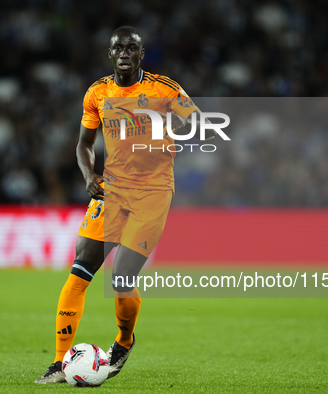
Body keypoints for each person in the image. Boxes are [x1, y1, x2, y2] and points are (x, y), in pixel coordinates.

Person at [35, 26, 202, 384]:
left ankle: (124, 342)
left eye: (131, 48)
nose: (124, 53)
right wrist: (88, 174)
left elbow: (198, 124)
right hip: (112, 189)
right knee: (80, 270)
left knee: (121, 279)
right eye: (118, 48)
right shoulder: (97, 93)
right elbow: (83, 145)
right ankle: (59, 362)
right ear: (110, 54)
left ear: (142, 54)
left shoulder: (165, 89)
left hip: (154, 192)